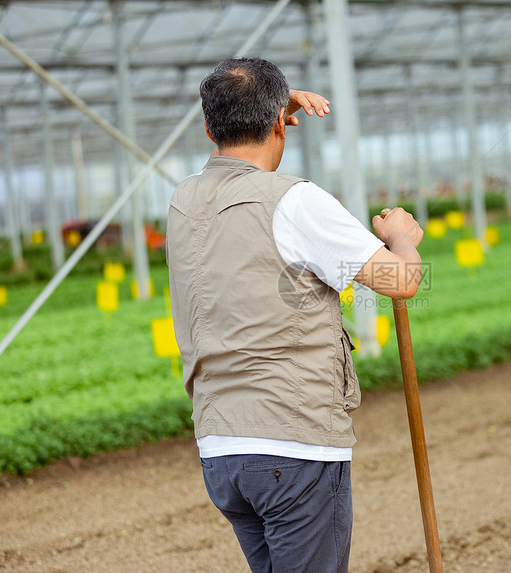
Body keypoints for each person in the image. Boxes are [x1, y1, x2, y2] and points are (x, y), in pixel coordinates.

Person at [166, 57, 423, 573]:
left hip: (222, 450)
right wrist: (401, 238)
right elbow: (402, 281)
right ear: (278, 124)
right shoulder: (296, 202)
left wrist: (264, 105)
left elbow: (241, 123)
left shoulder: (183, 202)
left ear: (208, 128)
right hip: (293, 445)